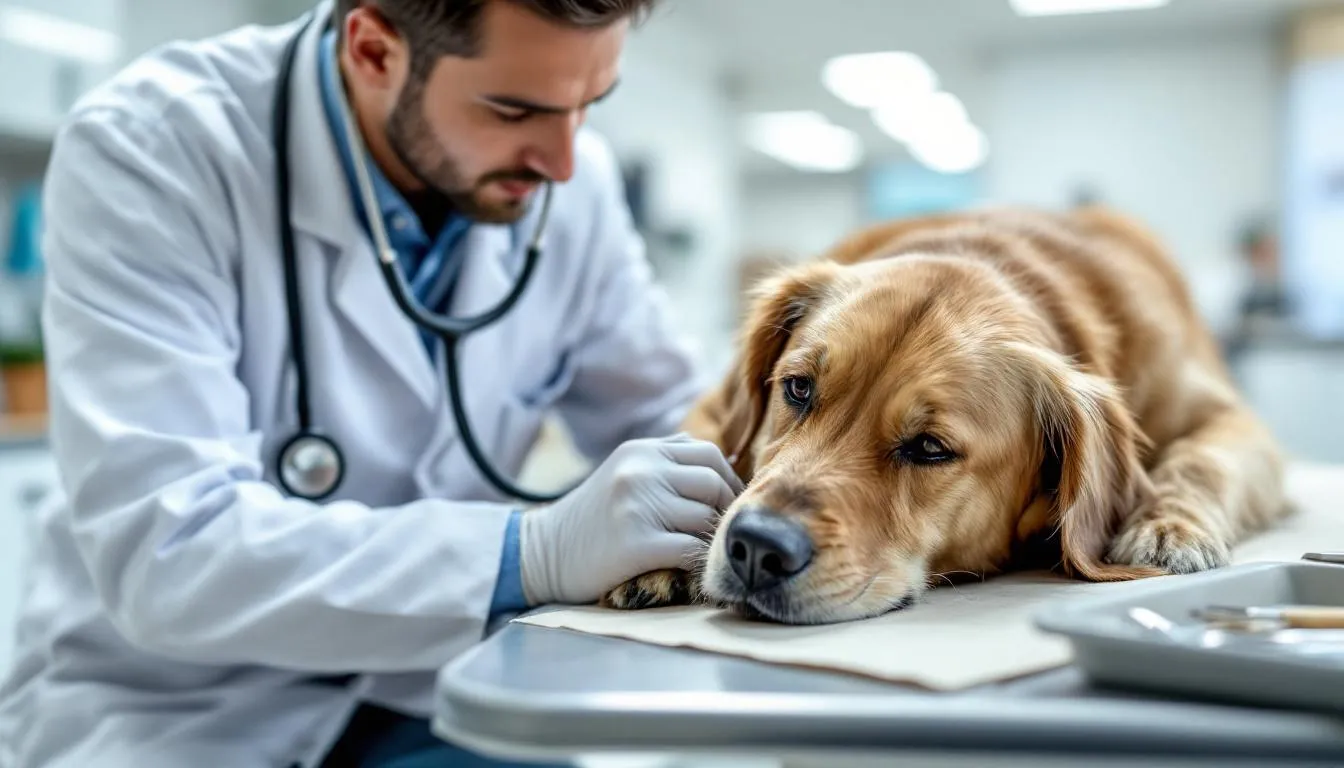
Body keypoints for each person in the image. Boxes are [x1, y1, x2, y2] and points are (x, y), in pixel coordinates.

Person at [0, 1, 743, 766]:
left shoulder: (570, 188)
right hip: (181, 710)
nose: (561, 159)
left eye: (589, 105)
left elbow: (675, 416)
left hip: (425, 685)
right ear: (374, 50)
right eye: (514, 108)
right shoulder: (157, 149)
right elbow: (171, 551)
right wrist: (533, 550)